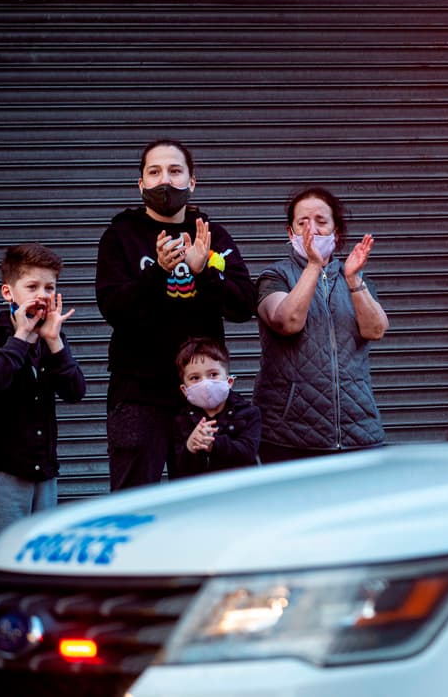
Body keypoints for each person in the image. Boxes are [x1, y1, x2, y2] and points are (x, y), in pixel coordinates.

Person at [95, 139, 255, 489]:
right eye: (154, 172)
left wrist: (204, 272)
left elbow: (245, 304)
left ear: (192, 181)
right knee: (134, 506)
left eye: (174, 170)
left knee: (201, 508)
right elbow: (112, 308)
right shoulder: (120, 236)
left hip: (202, 399)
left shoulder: (211, 235)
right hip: (138, 397)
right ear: (141, 184)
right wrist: (157, 273)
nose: (164, 181)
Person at [255, 186, 389, 462]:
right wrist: (314, 266)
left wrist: (353, 280)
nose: (311, 230)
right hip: (288, 436)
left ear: (336, 232)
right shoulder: (275, 276)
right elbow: (288, 321)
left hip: (358, 431)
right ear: (290, 233)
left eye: (320, 221)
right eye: (302, 223)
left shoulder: (354, 278)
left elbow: (375, 329)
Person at [0, 243, 87, 547]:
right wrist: (21, 335)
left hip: (44, 468)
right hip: (4, 469)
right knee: (5, 552)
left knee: (40, 556)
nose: (43, 294)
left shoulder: (53, 336)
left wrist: (54, 343)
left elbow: (76, 390)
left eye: (50, 287)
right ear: (8, 293)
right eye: (32, 285)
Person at [170, 337, 262, 478]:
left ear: (229, 381)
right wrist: (190, 446)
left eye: (213, 374)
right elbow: (180, 470)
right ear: (184, 390)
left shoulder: (249, 413)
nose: (206, 383)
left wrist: (214, 444)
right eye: (195, 378)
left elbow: (247, 452)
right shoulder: (181, 420)